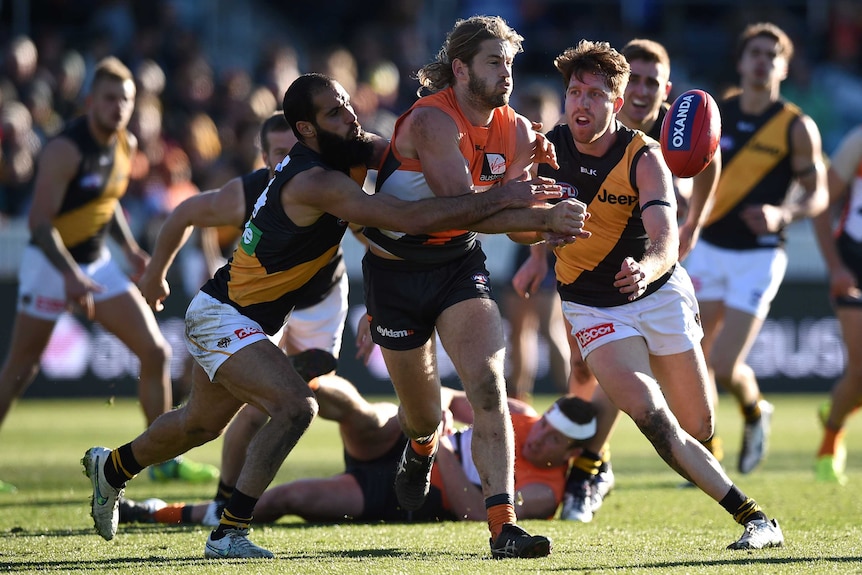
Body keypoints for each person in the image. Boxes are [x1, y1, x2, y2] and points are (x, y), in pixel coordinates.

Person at [82, 72, 582, 559]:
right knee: (296, 406)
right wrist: (509, 197)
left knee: (197, 425)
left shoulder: (351, 147)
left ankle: (112, 469)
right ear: (306, 130)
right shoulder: (314, 180)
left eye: (346, 103)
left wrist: (510, 159)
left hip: (256, 318)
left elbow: (425, 162)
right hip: (222, 313)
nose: (349, 114)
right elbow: (408, 217)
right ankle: (229, 531)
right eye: (333, 111)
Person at [509, 39, 784, 550]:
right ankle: (756, 519)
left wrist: (648, 266)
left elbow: (665, 236)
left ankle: (676, 455)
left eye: (594, 94)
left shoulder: (645, 154)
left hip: (657, 293)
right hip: (590, 305)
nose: (581, 103)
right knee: (651, 416)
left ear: (615, 104)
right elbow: (520, 225)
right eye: (574, 92)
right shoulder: (545, 149)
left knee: (696, 423)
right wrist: (538, 238)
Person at [361, 15, 590, 560]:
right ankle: (421, 446)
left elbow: (501, 220)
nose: (506, 73)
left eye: (510, 62)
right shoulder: (431, 121)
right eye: (494, 61)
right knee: (421, 413)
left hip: (457, 265)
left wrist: (548, 219)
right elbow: (457, 208)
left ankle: (502, 528)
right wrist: (530, 204)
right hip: (395, 270)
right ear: (460, 68)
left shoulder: (515, 128)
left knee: (488, 388)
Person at [135, 110, 369, 519]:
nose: (286, 162)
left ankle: (224, 509)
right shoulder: (247, 192)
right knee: (248, 412)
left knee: (294, 393)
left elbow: (372, 233)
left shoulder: (325, 179)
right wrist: (156, 274)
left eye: (292, 151)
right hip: (258, 308)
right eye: (278, 154)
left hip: (318, 301)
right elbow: (185, 213)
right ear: (263, 158)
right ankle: (224, 505)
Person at [0, 56, 216, 495]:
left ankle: (162, 461)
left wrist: (131, 250)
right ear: (90, 101)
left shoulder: (126, 144)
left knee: (155, 352)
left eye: (126, 100)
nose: (118, 107)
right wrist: (70, 277)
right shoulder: (64, 149)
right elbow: (40, 225)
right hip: (50, 265)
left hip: (97, 262)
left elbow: (108, 200)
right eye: (110, 98)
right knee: (20, 368)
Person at [119, 377, 598, 525]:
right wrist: (444, 413)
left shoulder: (545, 494)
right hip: (406, 437)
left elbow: (476, 512)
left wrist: (437, 449)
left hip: (419, 490)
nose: (539, 437)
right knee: (364, 415)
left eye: (554, 439)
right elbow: (451, 396)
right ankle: (294, 377)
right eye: (546, 424)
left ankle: (164, 513)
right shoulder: (523, 415)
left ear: (573, 452)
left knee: (291, 498)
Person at [683, 22, 828, 474]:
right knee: (693, 357)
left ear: (784, 65)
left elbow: (818, 193)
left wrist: (782, 215)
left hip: (761, 255)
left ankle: (753, 409)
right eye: (755, 52)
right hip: (709, 247)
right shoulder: (715, 115)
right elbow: (689, 174)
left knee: (725, 365)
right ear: (742, 61)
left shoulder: (796, 126)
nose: (763, 60)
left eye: (772, 54)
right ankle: (708, 454)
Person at [812, 124, 862, 485]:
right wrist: (835, 267)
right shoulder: (858, 140)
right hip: (854, 264)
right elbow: (820, 204)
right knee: (861, 369)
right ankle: (830, 439)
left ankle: (838, 406)